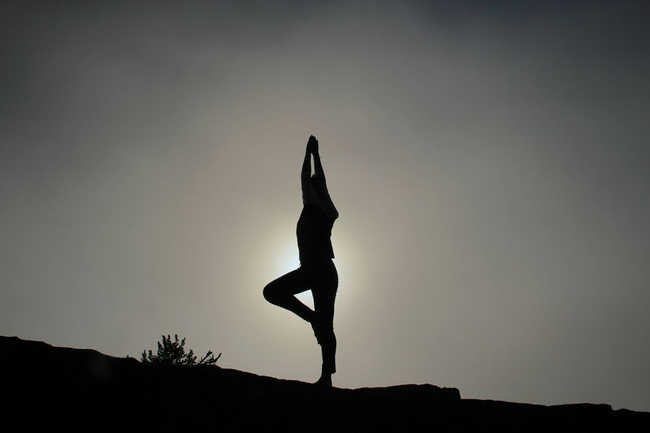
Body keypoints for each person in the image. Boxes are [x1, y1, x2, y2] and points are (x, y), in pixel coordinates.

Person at [263, 135, 339, 387]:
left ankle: (311, 318)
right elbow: (322, 183)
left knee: (271, 292)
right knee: (327, 325)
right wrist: (317, 156)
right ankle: (326, 377)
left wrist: (309, 155)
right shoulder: (329, 211)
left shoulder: (313, 205)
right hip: (329, 270)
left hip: (314, 266)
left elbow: (308, 179)